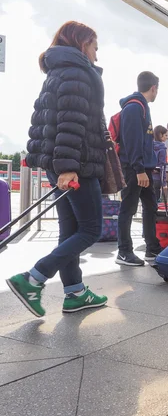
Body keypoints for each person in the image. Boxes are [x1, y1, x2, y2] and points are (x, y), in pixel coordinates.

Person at [6, 21, 108, 316]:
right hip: (76, 163)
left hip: (59, 161)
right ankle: (33, 278)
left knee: (70, 230)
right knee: (90, 230)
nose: (96, 57)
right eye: (95, 48)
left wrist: (58, 164)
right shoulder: (78, 72)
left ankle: (75, 292)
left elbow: (44, 120)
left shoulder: (57, 71)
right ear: (82, 43)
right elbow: (70, 122)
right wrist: (68, 167)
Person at [116, 71, 163, 266]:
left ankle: (152, 248)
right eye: (157, 89)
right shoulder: (134, 108)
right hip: (135, 168)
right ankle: (124, 251)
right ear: (153, 88)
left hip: (143, 168)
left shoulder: (142, 107)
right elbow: (132, 140)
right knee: (128, 208)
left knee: (151, 207)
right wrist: (139, 169)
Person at [152, 125, 168, 203]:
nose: (166, 137)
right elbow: (162, 166)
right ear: (160, 135)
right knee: (156, 202)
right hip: (157, 178)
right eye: (165, 135)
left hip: (148, 176)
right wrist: (164, 183)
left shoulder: (149, 146)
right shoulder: (162, 148)